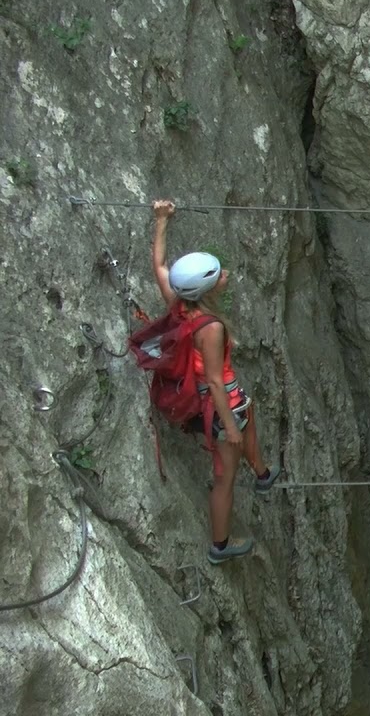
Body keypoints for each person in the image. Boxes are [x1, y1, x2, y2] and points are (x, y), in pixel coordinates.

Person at [149, 199, 280, 565]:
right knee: (224, 476)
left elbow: (159, 265)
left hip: (229, 401)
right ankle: (219, 546)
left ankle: (263, 472)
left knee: (247, 416)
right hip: (219, 405)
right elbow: (213, 380)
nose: (226, 276)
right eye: (219, 274)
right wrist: (230, 430)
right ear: (207, 288)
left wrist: (162, 220)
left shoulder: (178, 303)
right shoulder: (212, 328)